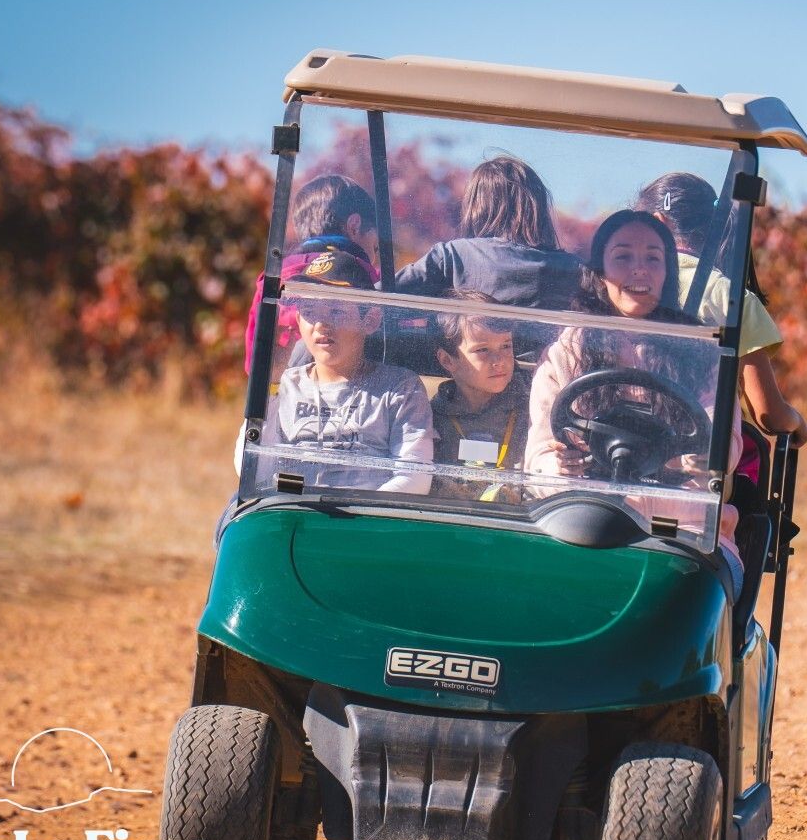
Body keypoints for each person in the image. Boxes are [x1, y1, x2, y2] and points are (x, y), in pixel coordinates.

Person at [525, 210, 744, 594]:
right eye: (623, 257)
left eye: (652, 259)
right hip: (587, 520)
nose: (638, 270)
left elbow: (723, 440)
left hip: (682, 530)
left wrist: (701, 453)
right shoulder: (569, 348)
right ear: (600, 271)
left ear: (668, 272)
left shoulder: (701, 352)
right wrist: (557, 466)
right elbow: (540, 448)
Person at [634, 172, 807, 448]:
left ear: (657, 225)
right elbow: (769, 416)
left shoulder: (619, 287)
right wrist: (798, 421)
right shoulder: (732, 297)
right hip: (697, 462)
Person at [238, 250, 433, 496]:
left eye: (337, 310)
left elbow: (415, 477)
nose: (320, 324)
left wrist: (357, 516)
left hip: (366, 525)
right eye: (309, 310)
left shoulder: (400, 389)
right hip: (295, 515)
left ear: (371, 320)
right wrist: (271, 387)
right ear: (298, 319)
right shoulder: (284, 386)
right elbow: (250, 468)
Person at [394, 155, 584, 311]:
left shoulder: (453, 257)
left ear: (477, 207)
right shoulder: (576, 270)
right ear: (536, 208)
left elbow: (379, 298)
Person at [244, 174, 379, 375]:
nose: (375, 259)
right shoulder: (362, 274)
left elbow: (255, 365)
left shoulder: (273, 279)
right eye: (375, 248)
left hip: (284, 395)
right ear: (354, 226)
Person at [428, 297, 531, 500]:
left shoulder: (531, 410)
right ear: (447, 360)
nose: (499, 360)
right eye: (483, 350)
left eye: (506, 346)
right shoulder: (432, 418)